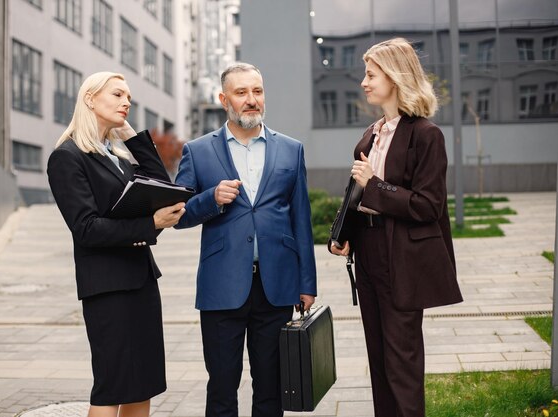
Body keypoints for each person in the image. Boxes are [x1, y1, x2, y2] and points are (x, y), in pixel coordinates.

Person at [329, 38, 463, 417]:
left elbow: (427, 205)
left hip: (403, 255)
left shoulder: (426, 135)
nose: (364, 82)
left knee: (401, 361)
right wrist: (345, 236)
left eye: (371, 75)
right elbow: (357, 193)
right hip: (369, 250)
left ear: (395, 77)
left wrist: (375, 184)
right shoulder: (371, 134)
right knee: (379, 359)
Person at [174, 62, 317, 417]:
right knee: (222, 386)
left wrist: (307, 282)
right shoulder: (198, 151)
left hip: (277, 286)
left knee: (271, 387)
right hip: (221, 286)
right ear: (224, 99)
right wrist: (211, 199)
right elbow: (177, 214)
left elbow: (302, 220)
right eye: (241, 93)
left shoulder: (291, 149)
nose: (251, 100)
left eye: (257, 91)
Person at [47, 71, 185, 417]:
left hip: (140, 281)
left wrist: (132, 138)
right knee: (112, 386)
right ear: (90, 99)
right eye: (118, 94)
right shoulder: (67, 157)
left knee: (144, 384)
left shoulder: (118, 157)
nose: (126, 102)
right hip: (107, 288)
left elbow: (159, 187)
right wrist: (149, 224)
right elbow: (86, 229)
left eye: (129, 97)